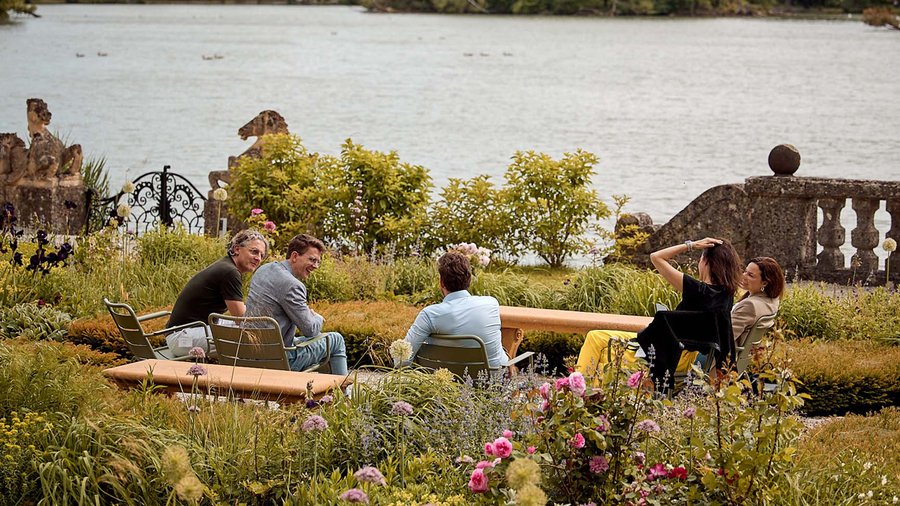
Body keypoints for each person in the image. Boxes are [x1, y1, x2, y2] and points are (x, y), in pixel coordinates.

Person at [576, 237, 742, 387]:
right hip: (683, 355)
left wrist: (691, 245)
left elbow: (656, 257)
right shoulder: (726, 295)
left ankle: (577, 392)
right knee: (599, 340)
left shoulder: (698, 290)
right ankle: (587, 392)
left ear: (706, 262)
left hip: (668, 353)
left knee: (596, 338)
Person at [245, 234, 348, 375]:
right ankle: (344, 396)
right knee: (336, 340)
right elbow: (310, 330)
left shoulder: (263, 270)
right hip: (279, 360)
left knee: (306, 341)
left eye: (318, 262)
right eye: (312, 260)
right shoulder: (293, 285)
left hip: (250, 353)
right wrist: (317, 317)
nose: (316, 266)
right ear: (294, 256)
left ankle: (323, 393)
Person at [166, 229, 268, 356]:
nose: (258, 258)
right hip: (182, 340)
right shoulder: (229, 272)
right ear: (237, 249)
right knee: (250, 339)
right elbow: (241, 319)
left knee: (256, 331)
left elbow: (241, 315)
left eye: (261, 255)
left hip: (186, 334)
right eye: (254, 252)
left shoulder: (226, 266)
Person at [403, 251, 507, 368]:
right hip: (494, 381)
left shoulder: (429, 315)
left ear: (442, 282)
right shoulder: (491, 303)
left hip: (444, 383)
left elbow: (401, 360)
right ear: (469, 279)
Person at [731, 256, 784, 346]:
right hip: (745, 357)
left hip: (719, 357)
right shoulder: (772, 301)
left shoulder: (750, 305)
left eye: (750, 275)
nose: (743, 276)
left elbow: (724, 337)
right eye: (745, 271)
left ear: (764, 283)